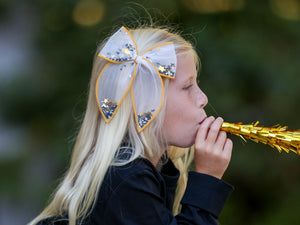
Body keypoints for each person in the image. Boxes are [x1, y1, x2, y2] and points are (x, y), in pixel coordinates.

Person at [29, 25, 233, 225]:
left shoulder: (146, 171)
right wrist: (207, 178)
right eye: (188, 86)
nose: (203, 98)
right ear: (146, 101)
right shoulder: (125, 177)